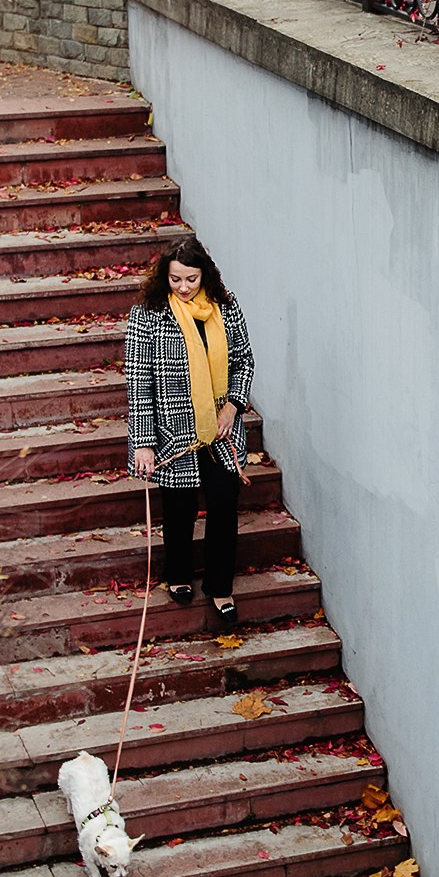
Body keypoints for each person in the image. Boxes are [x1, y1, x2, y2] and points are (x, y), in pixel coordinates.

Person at [124, 239, 256, 623]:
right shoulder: (148, 315)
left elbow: (244, 360)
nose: (183, 287)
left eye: (191, 279)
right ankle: (178, 574)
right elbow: (139, 382)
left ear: (206, 275)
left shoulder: (226, 308)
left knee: (222, 504)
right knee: (179, 510)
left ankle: (220, 587)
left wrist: (233, 405)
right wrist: (144, 444)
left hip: (222, 429)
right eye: (176, 279)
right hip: (172, 431)